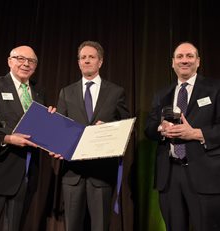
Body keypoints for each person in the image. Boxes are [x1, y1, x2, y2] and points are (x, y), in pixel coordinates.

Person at [52, 40, 130, 231]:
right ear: (78, 62)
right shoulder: (66, 92)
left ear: (100, 62)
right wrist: (52, 133)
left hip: (101, 174)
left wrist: (110, 128)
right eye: (83, 57)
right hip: (72, 175)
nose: (87, 60)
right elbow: (60, 129)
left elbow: (127, 127)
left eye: (91, 57)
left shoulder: (116, 92)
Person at [145, 42, 220, 231]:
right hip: (169, 176)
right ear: (172, 63)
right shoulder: (162, 94)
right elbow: (149, 128)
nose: (184, 60)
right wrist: (161, 128)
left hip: (204, 174)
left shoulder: (215, 89)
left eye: (189, 56)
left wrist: (195, 133)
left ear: (198, 61)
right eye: (179, 57)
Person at [0, 45, 46, 231]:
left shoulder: (39, 94)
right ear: (9, 61)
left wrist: (50, 122)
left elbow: (40, 130)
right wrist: (8, 138)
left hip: (27, 174)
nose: (26, 64)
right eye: (21, 58)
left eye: (31, 61)